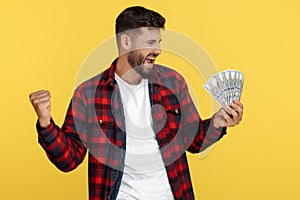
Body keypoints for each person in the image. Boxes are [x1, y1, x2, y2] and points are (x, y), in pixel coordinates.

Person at [29, 6, 243, 200]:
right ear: (126, 42)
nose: (158, 50)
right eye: (150, 43)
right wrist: (46, 124)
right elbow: (69, 160)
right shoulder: (88, 93)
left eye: (158, 43)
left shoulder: (173, 82)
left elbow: (194, 141)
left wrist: (218, 122)